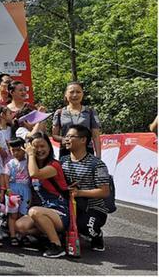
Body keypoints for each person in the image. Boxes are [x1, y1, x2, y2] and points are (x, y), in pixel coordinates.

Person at [15, 132, 69, 258]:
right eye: (35, 147)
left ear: (49, 147)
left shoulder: (54, 165)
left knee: (34, 212)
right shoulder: (32, 164)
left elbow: (35, 173)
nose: (39, 150)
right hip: (45, 209)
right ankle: (50, 235)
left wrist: (30, 154)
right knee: (20, 226)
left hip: (60, 211)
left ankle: (56, 245)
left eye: (42, 146)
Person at [61, 124, 110, 252]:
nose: (67, 139)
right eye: (66, 136)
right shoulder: (62, 161)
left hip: (93, 208)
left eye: (71, 136)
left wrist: (79, 193)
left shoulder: (97, 164)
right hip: (68, 206)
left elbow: (104, 191)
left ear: (83, 140)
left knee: (88, 227)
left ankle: (97, 235)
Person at [52, 82, 102, 158]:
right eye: (71, 92)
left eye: (78, 92)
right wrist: (62, 139)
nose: (75, 95)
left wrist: (98, 156)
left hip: (87, 151)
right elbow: (54, 135)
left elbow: (96, 136)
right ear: (66, 94)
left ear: (82, 94)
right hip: (66, 151)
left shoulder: (90, 112)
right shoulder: (59, 112)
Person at [3, 138, 31, 247]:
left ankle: (22, 235)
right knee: (12, 215)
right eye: (13, 150)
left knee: (23, 214)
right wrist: (8, 191)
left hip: (25, 190)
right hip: (13, 191)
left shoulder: (29, 162)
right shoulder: (10, 164)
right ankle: (13, 235)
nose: (15, 153)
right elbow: (6, 177)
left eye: (18, 150)